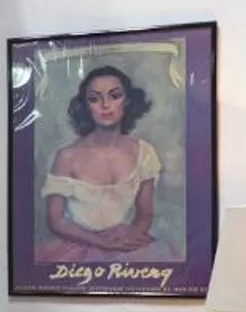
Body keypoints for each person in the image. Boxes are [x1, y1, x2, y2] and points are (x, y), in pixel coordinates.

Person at [37, 64, 165, 263]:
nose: (105, 105)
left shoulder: (144, 152)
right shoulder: (67, 156)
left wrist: (129, 236)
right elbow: (56, 221)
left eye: (115, 96)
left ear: (128, 100)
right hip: (78, 244)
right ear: (85, 106)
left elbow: (145, 214)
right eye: (95, 99)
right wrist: (100, 242)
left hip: (125, 242)